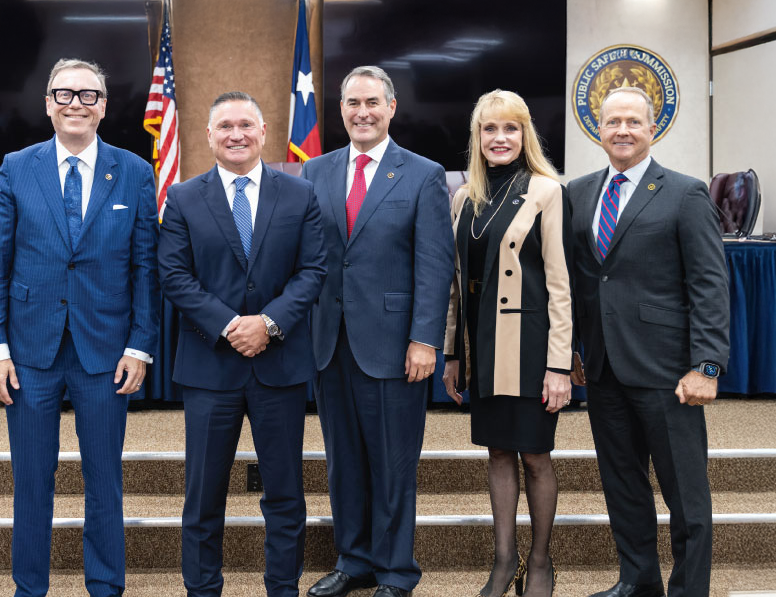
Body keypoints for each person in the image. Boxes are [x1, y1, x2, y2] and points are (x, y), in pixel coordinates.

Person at [0, 58, 159, 597]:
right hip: (29, 352)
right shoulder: (17, 166)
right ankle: (29, 588)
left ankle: (105, 586)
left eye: (88, 94)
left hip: (106, 352)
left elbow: (145, 267)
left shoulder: (133, 171)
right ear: (48, 103)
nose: (76, 103)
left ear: (104, 105)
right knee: (32, 482)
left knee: (104, 480)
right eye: (64, 93)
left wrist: (141, 345)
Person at [158, 91, 327, 597]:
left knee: (284, 495)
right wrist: (233, 324)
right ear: (208, 136)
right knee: (203, 497)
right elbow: (173, 274)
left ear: (264, 132)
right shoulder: (184, 197)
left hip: (280, 367)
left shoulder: (300, 194)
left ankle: (282, 588)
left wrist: (268, 324)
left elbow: (313, 270)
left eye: (246, 125)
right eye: (225, 126)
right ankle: (203, 589)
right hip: (210, 368)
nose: (236, 134)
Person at [568, 86, 729, 597]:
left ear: (652, 129)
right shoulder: (579, 192)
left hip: (668, 371)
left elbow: (709, 283)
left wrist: (706, 365)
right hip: (603, 369)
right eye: (612, 121)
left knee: (686, 495)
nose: (622, 130)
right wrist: (572, 348)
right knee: (623, 486)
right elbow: (577, 281)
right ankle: (638, 582)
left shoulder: (684, 192)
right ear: (598, 128)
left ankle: (688, 590)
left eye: (633, 122)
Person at [302, 66, 455, 597]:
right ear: (340, 109)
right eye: (351, 103)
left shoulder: (423, 173)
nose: (361, 112)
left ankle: (395, 571)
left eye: (372, 102)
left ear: (391, 108)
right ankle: (354, 561)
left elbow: (436, 266)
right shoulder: (315, 171)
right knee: (343, 462)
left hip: (394, 345)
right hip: (329, 343)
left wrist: (426, 339)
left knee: (392, 464)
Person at [441, 89, 573, 597]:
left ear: (525, 135)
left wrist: (559, 365)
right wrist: (453, 353)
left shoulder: (546, 190)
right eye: (489, 129)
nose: (500, 138)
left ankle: (539, 562)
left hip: (532, 347)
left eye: (510, 128)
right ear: (477, 137)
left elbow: (560, 284)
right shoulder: (463, 197)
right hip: (483, 346)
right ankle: (504, 561)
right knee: (497, 452)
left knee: (535, 454)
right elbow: (455, 284)